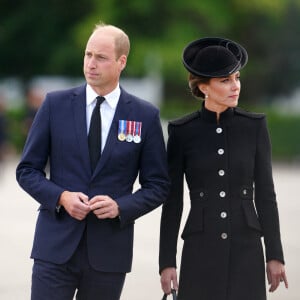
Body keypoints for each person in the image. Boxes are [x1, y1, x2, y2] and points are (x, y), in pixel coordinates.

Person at [16, 22, 169, 300]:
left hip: (109, 253)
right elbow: (27, 170)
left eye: (101, 57)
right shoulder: (55, 105)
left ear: (121, 62)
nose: (91, 64)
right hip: (55, 249)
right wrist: (61, 196)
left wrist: (120, 206)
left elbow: (158, 185)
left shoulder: (145, 116)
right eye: (88, 55)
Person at [159, 37, 288, 300]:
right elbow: (172, 202)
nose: (235, 86)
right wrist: (167, 262)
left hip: (247, 246)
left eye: (237, 78)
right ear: (204, 87)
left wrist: (275, 254)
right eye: (225, 80)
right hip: (200, 247)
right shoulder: (183, 132)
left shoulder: (254, 127)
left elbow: (266, 195)